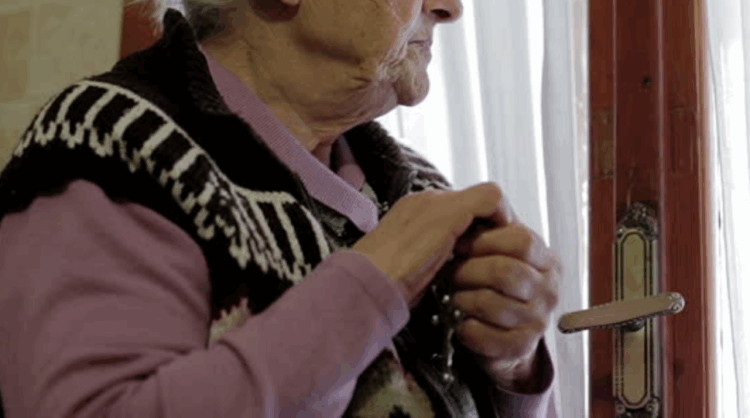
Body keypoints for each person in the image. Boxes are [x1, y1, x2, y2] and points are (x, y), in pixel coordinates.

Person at [0, 0, 562, 416]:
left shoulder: (416, 183)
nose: (451, 7)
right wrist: (372, 286)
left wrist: (510, 367)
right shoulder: (109, 143)